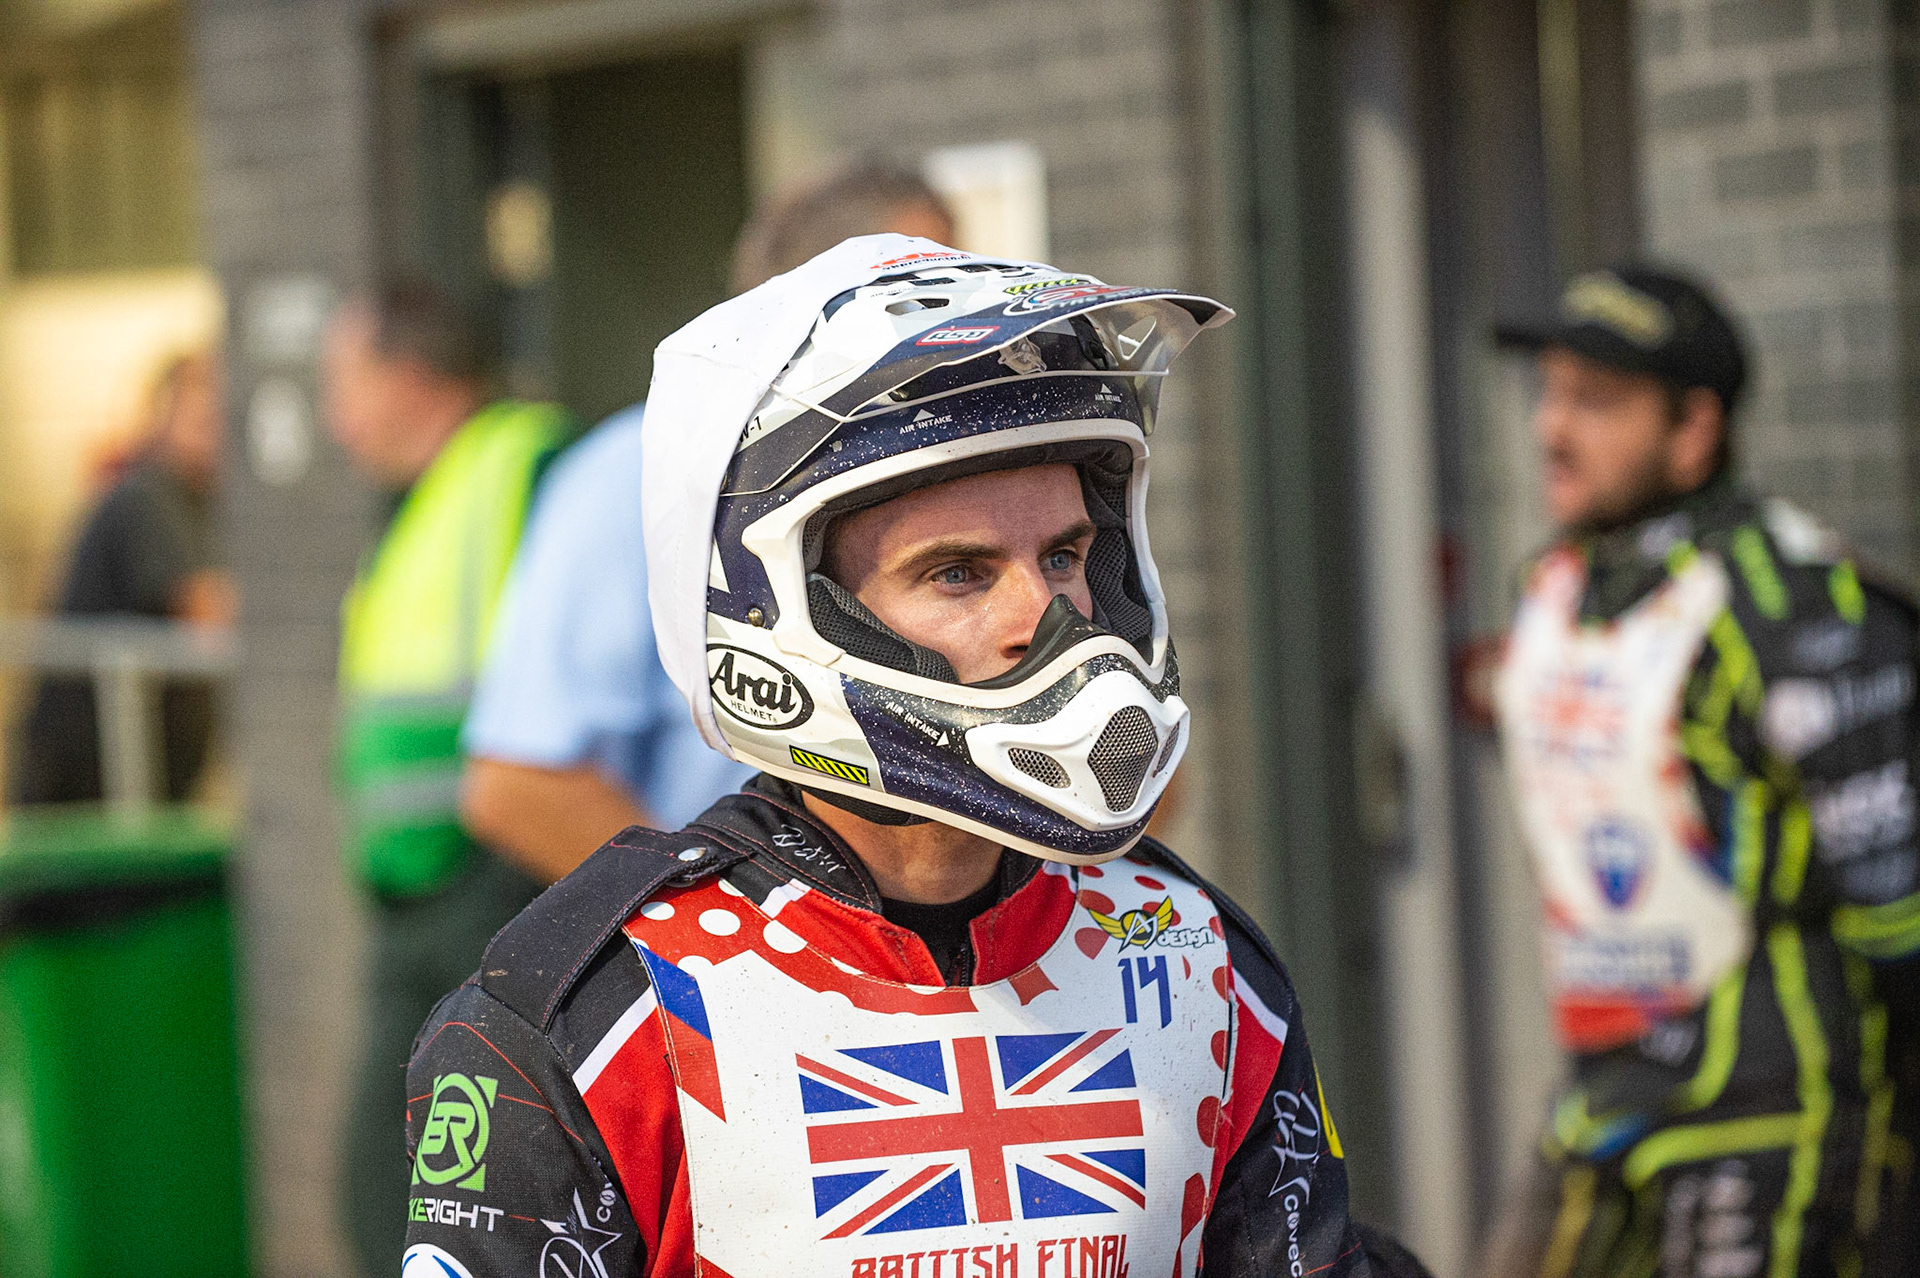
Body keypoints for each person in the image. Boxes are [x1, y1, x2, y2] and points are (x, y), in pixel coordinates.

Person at [401, 237, 1420, 1278]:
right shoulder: (591, 1019)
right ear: (786, 614)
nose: (1050, 618)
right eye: (960, 573)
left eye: (1065, 557)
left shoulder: (1198, 960)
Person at [1489, 266, 1919, 1276]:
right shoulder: (1555, 586)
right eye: (1551, 392)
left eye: (1596, 403)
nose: (1554, 429)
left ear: (1694, 428)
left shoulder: (1799, 603)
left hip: (1774, 1115)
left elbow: (1902, 917)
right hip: (1602, 1099)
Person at [459, 162, 958, 882]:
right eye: (928, 294)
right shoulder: (635, 473)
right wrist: (739, 930)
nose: (969, 319)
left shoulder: (979, 471)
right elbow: (520, 783)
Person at [322, 277, 574, 1277]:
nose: (335, 421)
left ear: (410, 375)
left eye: (345, 384)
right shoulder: (420, 502)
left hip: (495, 887)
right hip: (415, 897)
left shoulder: (528, 465)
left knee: (449, 1199)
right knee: (380, 1188)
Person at [10, 349, 232, 805]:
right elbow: (207, 614)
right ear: (162, 414)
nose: (211, 427)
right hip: (87, 785)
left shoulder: (203, 504)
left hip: (146, 777)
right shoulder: (147, 497)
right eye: (198, 412)